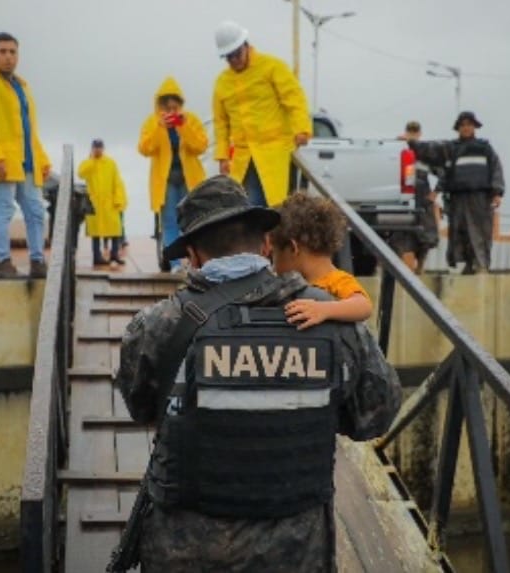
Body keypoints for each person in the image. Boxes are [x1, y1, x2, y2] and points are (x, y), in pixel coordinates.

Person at [116, 175, 401, 572]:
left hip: (185, 551)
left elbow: (142, 407)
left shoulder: (156, 326)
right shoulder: (331, 318)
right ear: (266, 244)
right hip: (297, 551)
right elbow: (376, 415)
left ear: (194, 255)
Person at [0, 32, 51, 279]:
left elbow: (30, 129)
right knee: (3, 211)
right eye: (2, 51)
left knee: (36, 211)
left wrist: (42, 159)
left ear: (18, 55)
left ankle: (37, 261)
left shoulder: (22, 87)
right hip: (3, 162)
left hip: (27, 162)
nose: (8, 57)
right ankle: (2, 263)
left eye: (12, 52)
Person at [212, 21, 312, 208]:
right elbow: (221, 123)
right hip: (244, 157)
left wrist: (302, 129)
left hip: (275, 153)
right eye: (229, 57)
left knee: (277, 208)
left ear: (246, 45)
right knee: (252, 209)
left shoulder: (272, 67)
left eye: (237, 54)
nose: (234, 60)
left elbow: (294, 99)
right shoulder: (222, 82)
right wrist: (223, 156)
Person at [406, 111, 505, 274]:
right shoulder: (451, 148)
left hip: (479, 198)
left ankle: (481, 265)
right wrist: (411, 143)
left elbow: (496, 169)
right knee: (460, 232)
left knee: (479, 232)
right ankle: (468, 264)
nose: (466, 128)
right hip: (457, 198)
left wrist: (497, 192)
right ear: (458, 128)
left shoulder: (484, 148)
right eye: (463, 125)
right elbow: (430, 150)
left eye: (469, 125)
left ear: (474, 127)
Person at [271, 192, 374, 329]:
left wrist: (324, 309)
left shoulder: (337, 281)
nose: (273, 264)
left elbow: (363, 306)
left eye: (274, 253)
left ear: (293, 248)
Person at [138, 77, 208, 271]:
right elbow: (144, 149)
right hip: (166, 181)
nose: (171, 112)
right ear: (160, 106)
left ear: (180, 105)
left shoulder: (191, 119)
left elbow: (201, 146)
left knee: (192, 222)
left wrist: (183, 126)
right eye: (167, 108)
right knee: (169, 222)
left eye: (174, 107)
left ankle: (193, 262)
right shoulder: (152, 122)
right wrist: (160, 127)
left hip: (189, 180)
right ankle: (175, 264)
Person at [390, 121, 441, 274]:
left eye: (414, 132)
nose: (412, 135)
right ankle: (401, 269)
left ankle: (420, 266)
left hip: (422, 197)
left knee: (425, 235)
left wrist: (436, 192)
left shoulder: (426, 153)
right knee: (400, 234)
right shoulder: (398, 149)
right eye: (409, 131)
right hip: (403, 197)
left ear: (419, 134)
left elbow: (443, 172)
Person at [78, 139, 127, 267]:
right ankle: (97, 256)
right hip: (94, 202)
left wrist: (119, 199)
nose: (98, 149)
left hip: (109, 202)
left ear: (103, 148)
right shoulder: (87, 163)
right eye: (95, 147)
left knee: (115, 229)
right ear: (92, 148)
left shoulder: (110, 163)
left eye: (100, 147)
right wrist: (92, 160)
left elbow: (117, 181)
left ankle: (114, 255)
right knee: (96, 232)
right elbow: (80, 174)